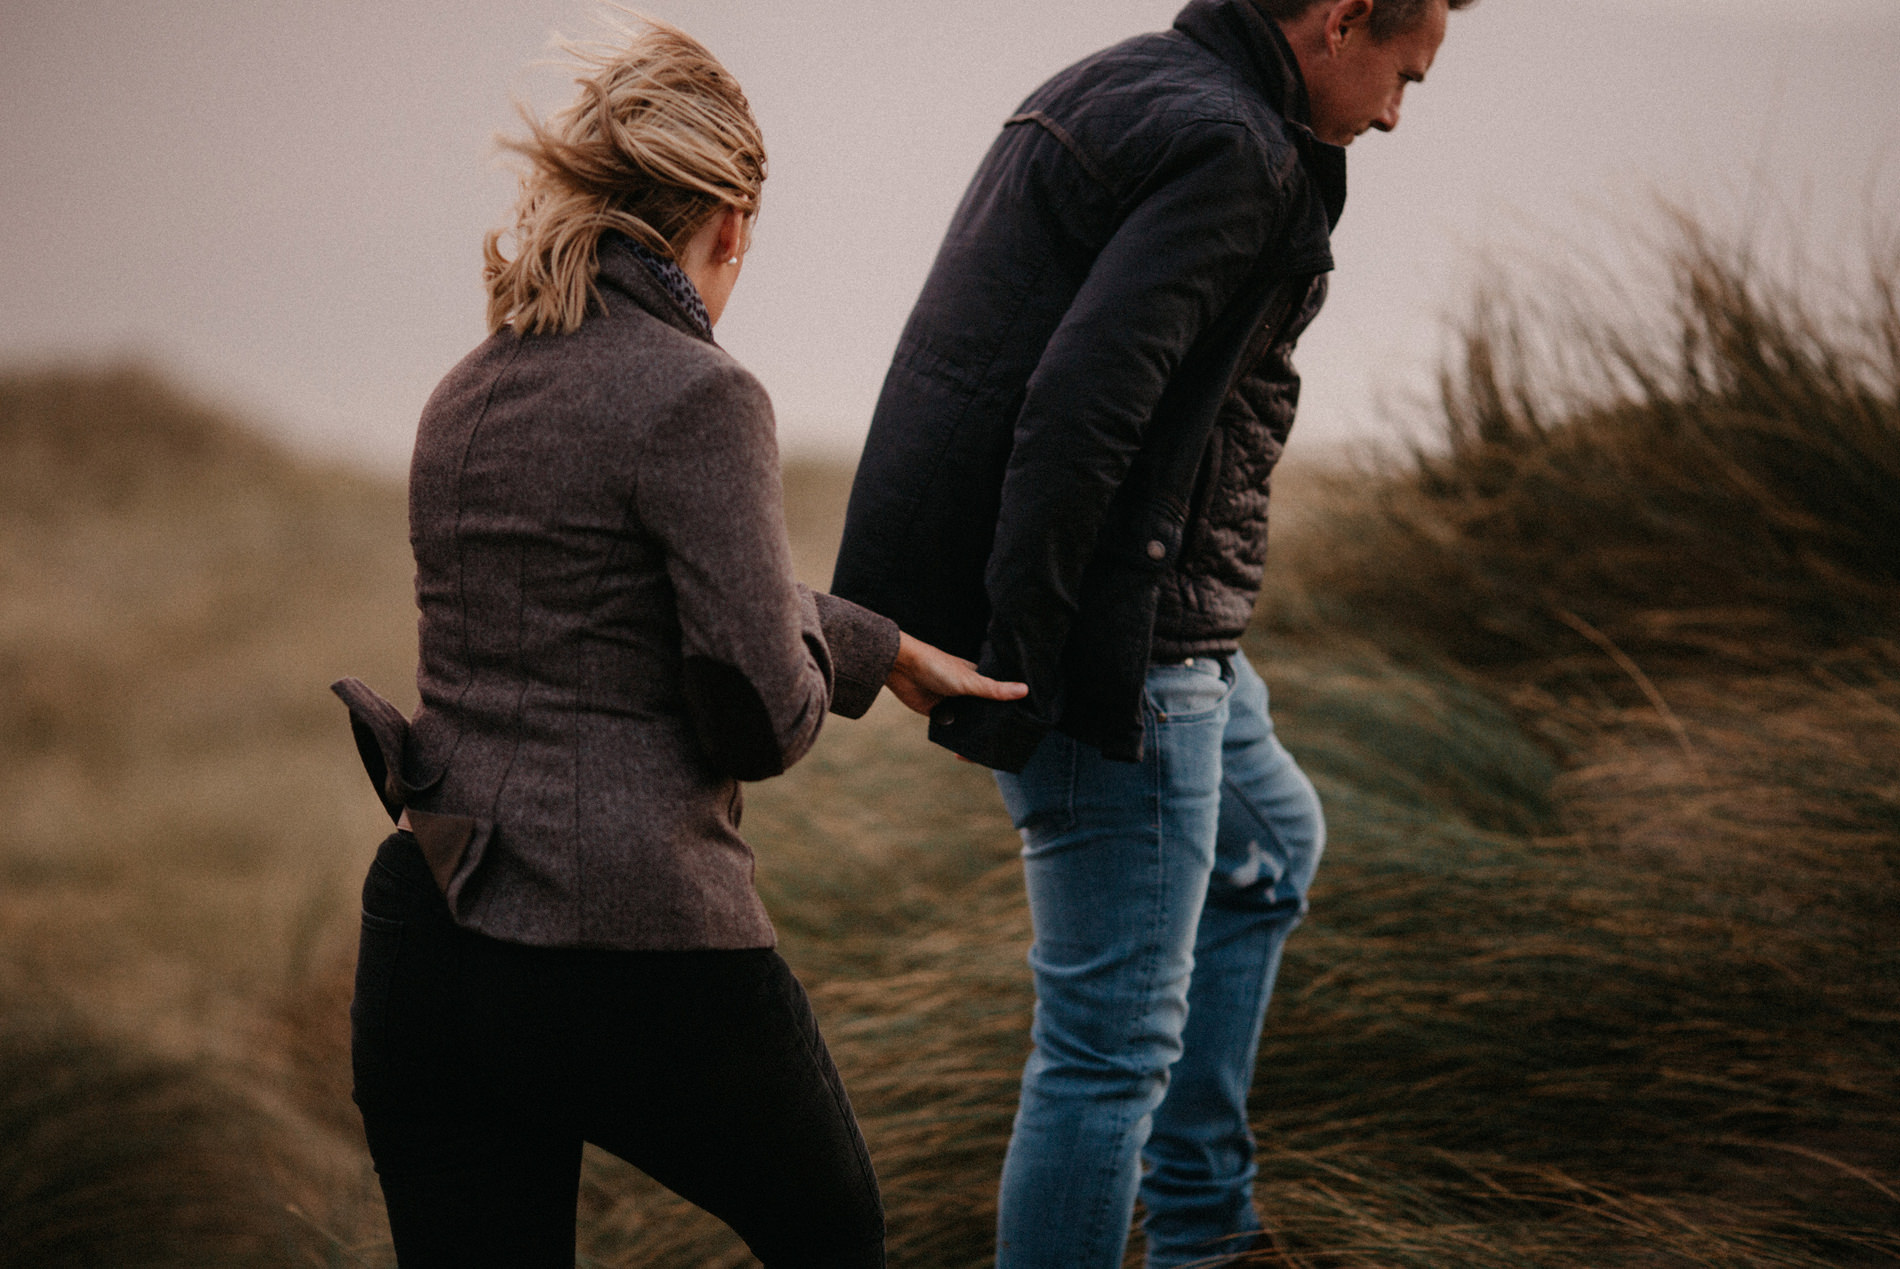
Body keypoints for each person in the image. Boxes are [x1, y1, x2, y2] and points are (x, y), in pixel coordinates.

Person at [329, 18, 1024, 1268]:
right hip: (632, 955)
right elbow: (765, 717)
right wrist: (820, 664)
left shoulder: (467, 391)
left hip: (434, 940)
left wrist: (872, 644)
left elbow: (601, 604)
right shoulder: (700, 393)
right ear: (732, 219)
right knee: (833, 1240)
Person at [831, 0, 1470, 1264]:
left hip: (1178, 634)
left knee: (1274, 844)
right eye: (1403, 74)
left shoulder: (1131, 83)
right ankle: (1199, 1233)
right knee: (1105, 1052)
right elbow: (1080, 404)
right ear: (1338, 20)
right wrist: (1037, 656)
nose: (1399, 112)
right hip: (1124, 649)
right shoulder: (1231, 148)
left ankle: (1204, 1234)